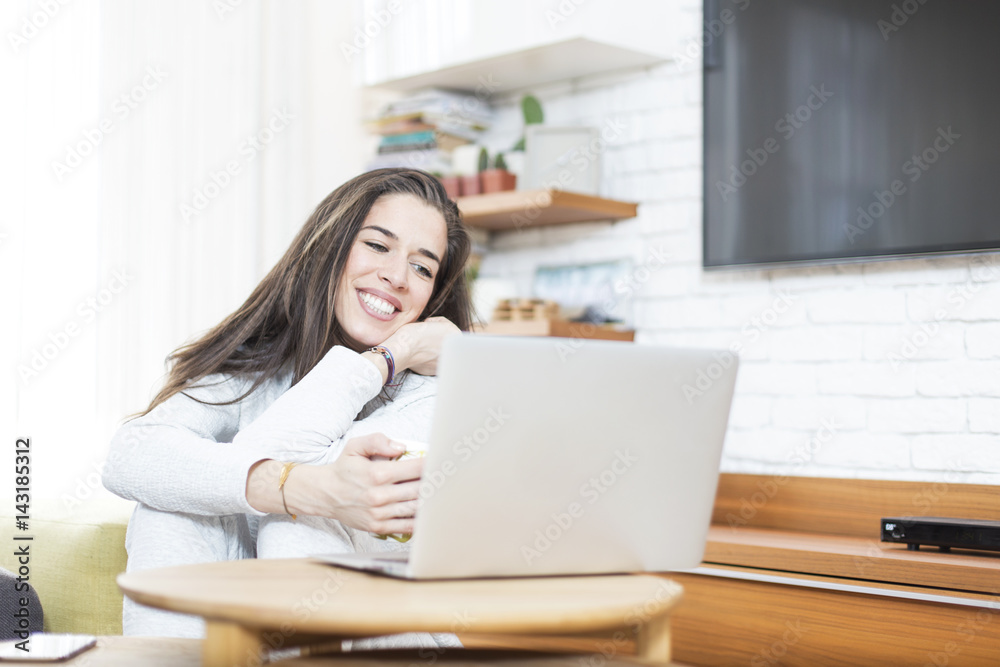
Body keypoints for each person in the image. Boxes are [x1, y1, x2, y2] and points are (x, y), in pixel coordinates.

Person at [102, 168, 473, 649]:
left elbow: (276, 450)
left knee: (296, 522)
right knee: (170, 505)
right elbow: (131, 455)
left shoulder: (431, 391)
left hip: (390, 640)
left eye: (423, 268)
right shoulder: (254, 373)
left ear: (434, 297)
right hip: (256, 639)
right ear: (329, 248)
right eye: (378, 246)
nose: (397, 277)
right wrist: (303, 485)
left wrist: (395, 355)